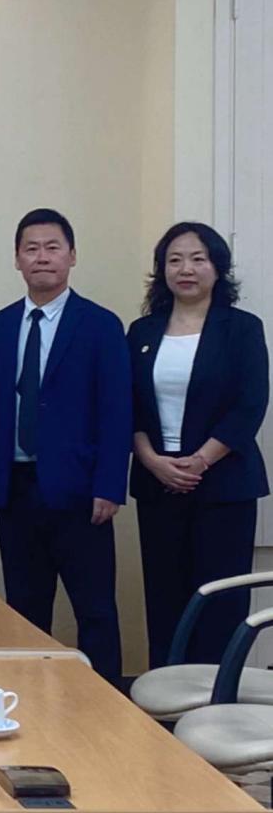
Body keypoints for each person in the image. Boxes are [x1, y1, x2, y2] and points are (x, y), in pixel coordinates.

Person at [0, 209, 131, 682]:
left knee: (95, 610)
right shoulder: (0, 325)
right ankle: (30, 702)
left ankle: (107, 708)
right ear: (17, 259)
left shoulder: (100, 324)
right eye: (31, 248)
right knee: (25, 609)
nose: (42, 257)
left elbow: (116, 410)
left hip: (80, 491)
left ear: (72, 256)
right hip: (15, 488)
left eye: (52, 247)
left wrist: (109, 485)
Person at [128, 222, 269, 668]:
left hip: (224, 486)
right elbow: (128, 406)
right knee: (164, 599)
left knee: (219, 602)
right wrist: (151, 460)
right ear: (161, 270)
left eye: (197, 259)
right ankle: (164, 695)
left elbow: (250, 405)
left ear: (217, 267)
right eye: (174, 260)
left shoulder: (242, 328)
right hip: (158, 483)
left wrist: (199, 461)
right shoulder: (142, 332)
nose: (185, 269)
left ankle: (218, 698)